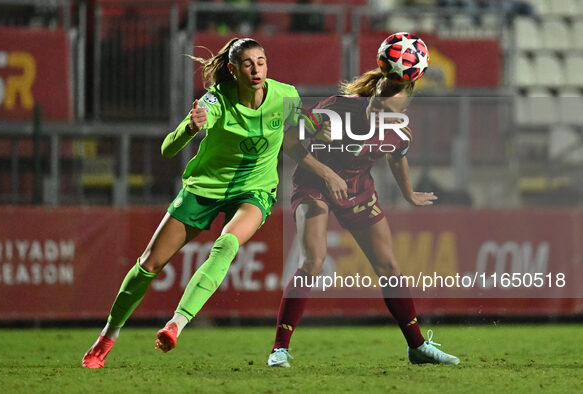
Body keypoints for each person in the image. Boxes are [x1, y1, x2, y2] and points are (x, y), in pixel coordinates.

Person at [82, 37, 301, 368]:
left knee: (227, 244)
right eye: (247, 64)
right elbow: (168, 149)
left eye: (261, 61)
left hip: (255, 191)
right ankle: (107, 336)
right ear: (233, 69)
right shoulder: (215, 101)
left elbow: (296, 135)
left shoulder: (287, 95)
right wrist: (189, 127)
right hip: (204, 189)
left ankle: (176, 325)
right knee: (148, 265)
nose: (256, 70)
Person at [267, 67, 460, 367]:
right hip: (314, 182)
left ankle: (417, 347)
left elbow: (398, 158)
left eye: (387, 111)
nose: (379, 110)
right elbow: (289, 142)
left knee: (388, 265)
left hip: (357, 188)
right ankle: (279, 349)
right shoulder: (335, 108)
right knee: (313, 260)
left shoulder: (398, 131)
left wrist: (408, 194)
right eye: (378, 102)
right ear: (373, 93)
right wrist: (327, 171)